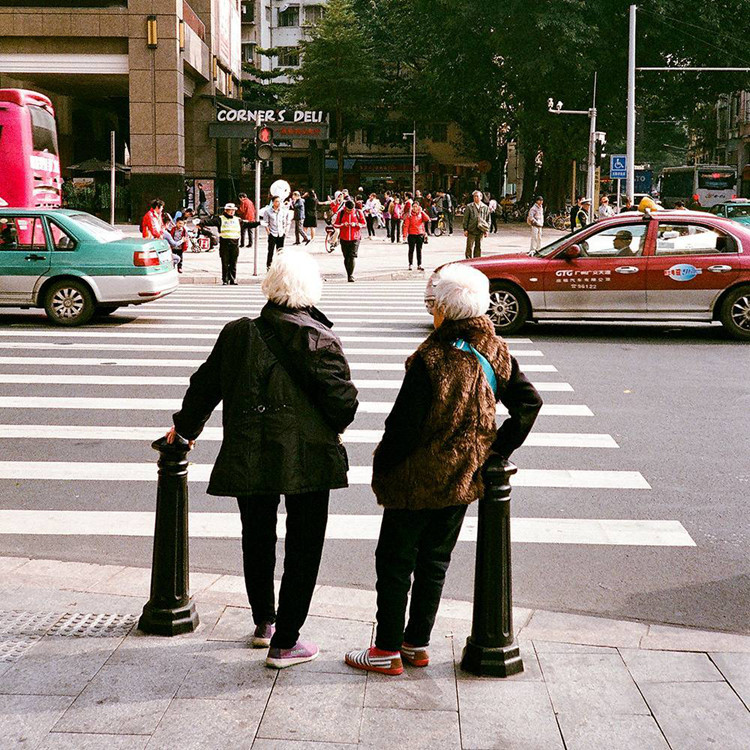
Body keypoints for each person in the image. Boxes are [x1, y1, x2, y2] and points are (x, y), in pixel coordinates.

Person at [343, 264, 543, 676]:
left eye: (434, 303)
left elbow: (403, 427)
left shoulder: (431, 359)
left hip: (415, 478)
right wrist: (493, 450)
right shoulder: (496, 350)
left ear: (445, 310)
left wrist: (384, 467)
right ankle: (416, 644)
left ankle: (385, 649)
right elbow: (529, 402)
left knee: (395, 562)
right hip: (462, 477)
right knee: (435, 561)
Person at [166, 249, 359, 669]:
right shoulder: (320, 339)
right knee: (304, 546)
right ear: (311, 291)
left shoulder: (238, 334)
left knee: (256, 537)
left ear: (270, 286)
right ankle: (287, 642)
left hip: (249, 451)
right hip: (308, 457)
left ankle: (265, 623)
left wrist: (184, 431)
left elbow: (204, 387)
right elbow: (344, 406)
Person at [199, 202, 258, 285]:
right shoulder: (220, 219)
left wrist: (258, 223)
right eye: (230, 210)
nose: (232, 212)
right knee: (225, 262)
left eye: (233, 210)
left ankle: (233, 279)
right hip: (225, 243)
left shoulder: (237, 220)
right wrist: (199, 222)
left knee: (233, 263)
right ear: (226, 210)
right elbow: (209, 222)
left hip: (235, 244)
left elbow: (248, 224)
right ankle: (225, 280)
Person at [333, 199, 366, 282]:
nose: (349, 211)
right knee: (346, 257)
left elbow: (364, 223)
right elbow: (335, 224)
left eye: (351, 210)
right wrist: (342, 225)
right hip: (344, 237)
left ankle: (350, 275)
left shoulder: (358, 212)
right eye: (347, 210)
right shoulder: (341, 213)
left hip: (355, 238)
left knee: (352, 256)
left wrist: (356, 224)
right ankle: (348, 273)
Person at [260, 195, 292, 270]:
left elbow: (286, 221)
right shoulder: (268, 211)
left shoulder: (283, 211)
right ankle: (269, 267)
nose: (279, 203)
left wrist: (285, 231)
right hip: (272, 233)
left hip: (281, 233)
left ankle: (279, 267)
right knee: (270, 251)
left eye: (279, 201)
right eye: (277, 201)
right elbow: (265, 222)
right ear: (273, 202)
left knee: (280, 251)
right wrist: (268, 232)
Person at [402, 201, 430, 271]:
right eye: (413, 206)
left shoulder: (421, 214)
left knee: (419, 250)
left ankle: (419, 264)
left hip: (420, 234)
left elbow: (427, 219)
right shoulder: (409, 215)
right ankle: (410, 264)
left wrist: (422, 212)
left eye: (416, 206)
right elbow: (406, 226)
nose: (415, 208)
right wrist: (404, 235)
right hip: (412, 234)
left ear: (418, 207)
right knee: (411, 250)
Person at [463, 190, 490, 259]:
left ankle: (477, 259)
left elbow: (488, 219)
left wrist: (487, 230)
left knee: (478, 246)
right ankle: (468, 260)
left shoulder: (485, 207)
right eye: (475, 196)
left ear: (481, 197)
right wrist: (465, 229)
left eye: (477, 196)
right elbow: (465, 219)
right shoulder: (469, 206)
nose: (476, 198)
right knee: (469, 247)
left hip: (481, 230)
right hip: (471, 230)